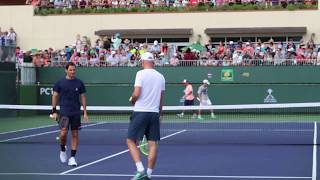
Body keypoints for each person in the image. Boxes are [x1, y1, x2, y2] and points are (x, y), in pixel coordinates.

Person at [127, 52, 165, 180]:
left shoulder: (140, 74)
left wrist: (132, 99)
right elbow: (161, 100)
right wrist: (159, 115)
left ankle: (140, 170)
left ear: (142, 62)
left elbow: (136, 93)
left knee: (130, 141)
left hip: (140, 112)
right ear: (153, 62)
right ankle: (148, 174)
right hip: (154, 114)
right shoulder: (161, 77)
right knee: (153, 144)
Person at [51, 62, 89, 167]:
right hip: (64, 113)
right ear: (66, 70)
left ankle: (72, 157)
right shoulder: (60, 83)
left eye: (74, 70)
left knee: (75, 134)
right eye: (71, 70)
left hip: (76, 112)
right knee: (63, 134)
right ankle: (62, 149)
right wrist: (54, 111)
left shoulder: (79, 83)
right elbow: (54, 96)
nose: (72, 72)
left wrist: (85, 111)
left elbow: (83, 97)